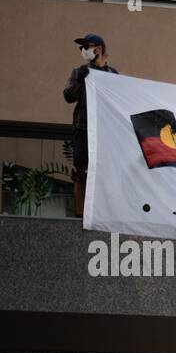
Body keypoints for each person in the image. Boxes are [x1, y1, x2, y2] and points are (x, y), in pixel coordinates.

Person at [62, 33, 119, 217]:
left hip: (105, 131)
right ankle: (80, 213)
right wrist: (80, 82)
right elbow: (68, 96)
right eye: (82, 48)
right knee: (80, 170)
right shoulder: (79, 72)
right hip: (83, 128)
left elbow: (120, 100)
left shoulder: (114, 75)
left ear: (99, 49)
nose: (83, 51)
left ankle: (103, 212)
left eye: (87, 47)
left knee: (104, 171)